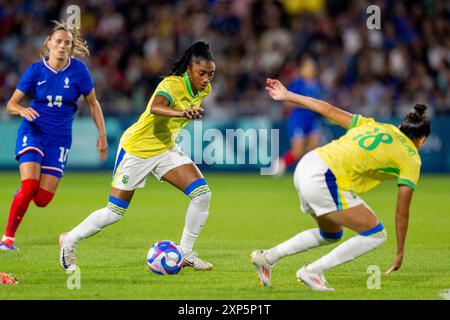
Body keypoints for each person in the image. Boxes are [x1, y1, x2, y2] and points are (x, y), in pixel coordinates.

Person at [252, 78, 430, 291]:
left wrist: (288, 95)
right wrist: (400, 251)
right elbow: (402, 213)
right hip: (324, 177)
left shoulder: (375, 125)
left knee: (331, 233)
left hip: (308, 163)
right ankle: (312, 271)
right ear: (422, 141)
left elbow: (327, 109)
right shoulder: (412, 157)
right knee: (376, 234)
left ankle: (268, 258)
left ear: (400, 126)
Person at [59, 41, 216, 272]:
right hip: (137, 149)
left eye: (211, 74)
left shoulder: (204, 89)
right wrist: (181, 112)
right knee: (114, 212)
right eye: (202, 73)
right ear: (189, 70)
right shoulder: (172, 84)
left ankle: (186, 253)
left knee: (202, 195)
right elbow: (156, 107)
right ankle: (69, 242)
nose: (206, 79)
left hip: (164, 148)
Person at [0, 21, 108, 251]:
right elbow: (11, 103)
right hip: (34, 131)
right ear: (49, 44)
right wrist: (21, 110)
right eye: (58, 41)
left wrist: (102, 135)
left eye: (67, 43)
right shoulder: (35, 71)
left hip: (59, 139)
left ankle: (21, 196)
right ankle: (7, 239)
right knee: (29, 186)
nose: (62, 46)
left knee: (42, 200)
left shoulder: (79, 71)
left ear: (70, 47)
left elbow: (93, 104)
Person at [274, 57, 322, 176]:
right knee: (297, 151)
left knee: (314, 149)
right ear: (302, 69)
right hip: (298, 119)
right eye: (308, 67)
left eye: (312, 67)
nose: (311, 69)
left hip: (312, 120)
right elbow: (287, 102)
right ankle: (281, 163)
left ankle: (309, 174)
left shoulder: (316, 85)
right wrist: (305, 103)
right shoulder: (297, 83)